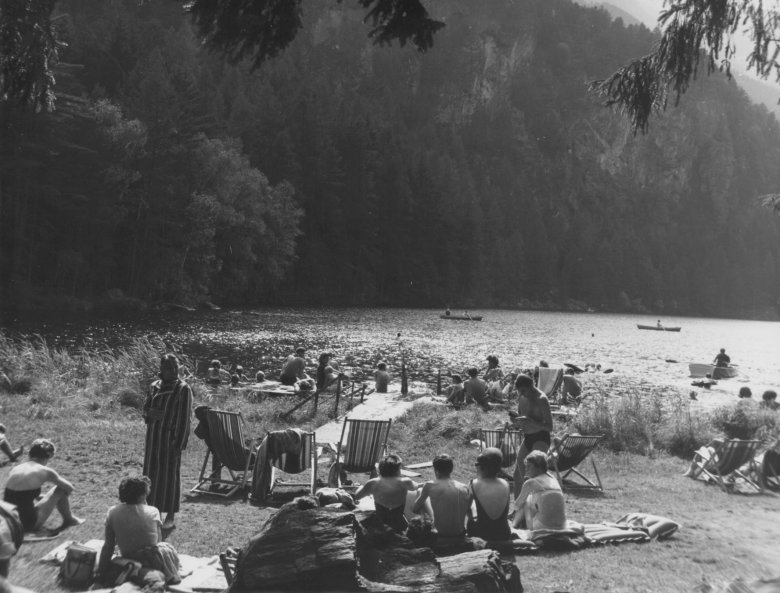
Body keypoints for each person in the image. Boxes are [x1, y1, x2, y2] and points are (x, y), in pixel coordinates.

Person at [97, 476, 181, 588]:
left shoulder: (112, 512)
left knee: (117, 564)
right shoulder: (153, 511)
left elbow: (108, 547)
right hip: (154, 560)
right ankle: (148, 575)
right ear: (142, 496)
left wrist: (100, 571)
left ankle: (135, 573)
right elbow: (158, 541)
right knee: (165, 547)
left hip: (129, 557)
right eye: (145, 494)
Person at [143, 354, 192, 530]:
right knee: (151, 474)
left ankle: (170, 515)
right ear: (161, 369)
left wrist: (178, 443)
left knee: (169, 476)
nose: (172, 371)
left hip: (170, 440)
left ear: (178, 368)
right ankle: (151, 512)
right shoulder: (153, 386)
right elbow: (146, 408)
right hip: (153, 438)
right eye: (168, 367)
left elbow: (184, 418)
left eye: (174, 367)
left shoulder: (182, 389)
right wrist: (149, 414)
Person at [3, 439, 83, 533]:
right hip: (26, 525)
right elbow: (69, 488)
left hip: (8, 522)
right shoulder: (45, 471)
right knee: (60, 489)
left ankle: (69, 519)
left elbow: (20, 495)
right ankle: (69, 519)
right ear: (49, 455)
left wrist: (41, 497)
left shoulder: (17, 468)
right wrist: (56, 500)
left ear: (30, 454)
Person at [413, 454, 471, 539]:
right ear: (451, 470)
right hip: (460, 533)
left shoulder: (430, 485)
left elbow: (415, 509)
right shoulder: (464, 487)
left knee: (420, 493)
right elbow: (467, 509)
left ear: (436, 470)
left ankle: (430, 522)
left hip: (440, 534)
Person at [355, 455, 417, 533]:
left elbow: (357, 496)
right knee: (411, 495)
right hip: (399, 525)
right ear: (397, 470)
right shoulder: (405, 482)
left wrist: (362, 486)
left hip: (381, 525)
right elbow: (415, 487)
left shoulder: (373, 483)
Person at [511, 374, 553, 486]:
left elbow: (550, 427)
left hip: (541, 438)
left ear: (532, 385)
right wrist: (516, 421)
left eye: (524, 390)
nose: (522, 393)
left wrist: (531, 422)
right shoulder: (522, 397)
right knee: (518, 474)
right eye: (520, 391)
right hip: (527, 438)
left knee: (537, 476)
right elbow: (522, 418)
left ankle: (539, 502)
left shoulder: (542, 399)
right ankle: (518, 503)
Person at [512, 451, 566, 531]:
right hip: (562, 526)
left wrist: (513, 512)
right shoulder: (553, 479)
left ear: (538, 467)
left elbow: (517, 505)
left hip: (541, 528)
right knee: (535, 499)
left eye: (529, 466)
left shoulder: (530, 483)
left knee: (526, 501)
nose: (526, 470)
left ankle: (514, 525)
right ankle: (515, 524)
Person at [467, 448, 511, 541]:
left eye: (476, 464)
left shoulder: (473, 483)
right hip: (503, 534)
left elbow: (466, 508)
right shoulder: (506, 483)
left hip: (481, 534)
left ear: (483, 467)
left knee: (471, 510)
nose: (475, 466)